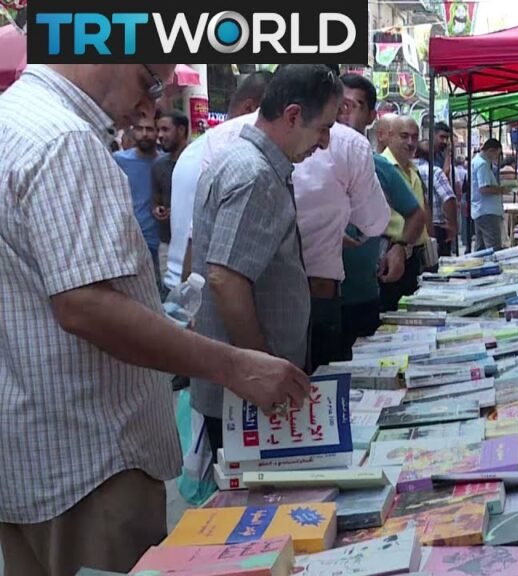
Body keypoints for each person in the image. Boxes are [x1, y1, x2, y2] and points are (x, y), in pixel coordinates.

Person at [0, 63, 307, 575]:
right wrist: (234, 366)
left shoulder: (14, 118)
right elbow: (86, 306)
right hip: (91, 459)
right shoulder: (64, 140)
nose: (149, 108)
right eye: (149, 80)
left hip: (30, 450)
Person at [190, 64, 340, 453]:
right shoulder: (254, 174)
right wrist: (257, 369)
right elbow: (226, 278)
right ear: (292, 115)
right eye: (323, 128)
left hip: (252, 387)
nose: (324, 143)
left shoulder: (246, 163)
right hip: (249, 395)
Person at [291, 79, 392, 370]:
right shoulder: (346, 143)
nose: (324, 140)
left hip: (263, 300)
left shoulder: (223, 140)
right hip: (317, 296)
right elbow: (373, 222)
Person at [337, 74, 424, 358]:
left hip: (363, 292)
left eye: (354, 105)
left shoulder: (378, 166)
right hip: (315, 300)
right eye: (340, 105)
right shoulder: (306, 157)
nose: (344, 113)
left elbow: (416, 214)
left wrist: (400, 247)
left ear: (371, 116)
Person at [166, 71, 273, 292]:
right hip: (198, 290)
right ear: (251, 109)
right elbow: (194, 239)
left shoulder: (200, 147)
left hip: (181, 282)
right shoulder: (225, 154)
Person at [379, 116, 431, 311]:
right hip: (392, 255)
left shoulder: (414, 170)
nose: (410, 142)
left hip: (415, 256)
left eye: (414, 137)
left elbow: (423, 209)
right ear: (390, 136)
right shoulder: (381, 167)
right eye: (404, 136)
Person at [114, 114, 163, 286]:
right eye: (140, 129)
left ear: (157, 132)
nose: (144, 134)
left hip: (159, 242)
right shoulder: (118, 161)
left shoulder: (165, 163)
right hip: (127, 240)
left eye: (149, 129)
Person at [152, 110, 189, 258]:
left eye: (165, 130)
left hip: (193, 244)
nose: (160, 135)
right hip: (167, 243)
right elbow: (155, 200)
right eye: (158, 130)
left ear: (181, 130)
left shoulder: (200, 160)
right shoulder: (158, 165)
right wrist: (158, 210)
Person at [415, 141, 458, 257]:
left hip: (412, 228)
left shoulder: (407, 171)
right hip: (436, 228)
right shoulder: (434, 171)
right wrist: (452, 225)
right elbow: (449, 198)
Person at [472, 138, 506, 250]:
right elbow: (484, 189)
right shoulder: (482, 164)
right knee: (493, 247)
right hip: (487, 211)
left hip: (481, 210)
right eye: (497, 153)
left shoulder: (477, 161)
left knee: (481, 248)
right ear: (491, 150)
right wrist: (501, 190)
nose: (497, 157)